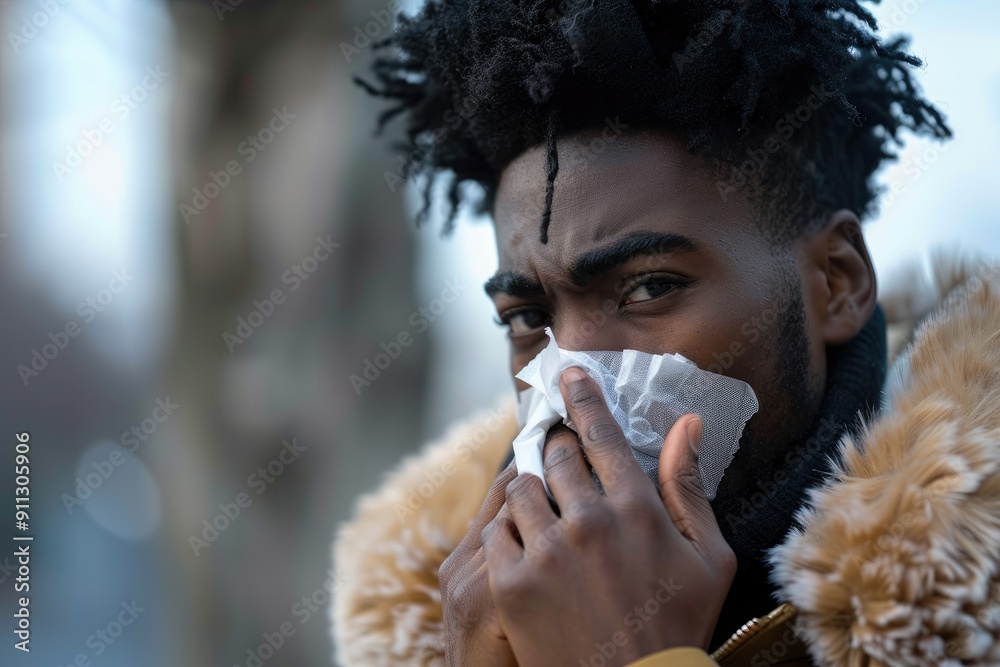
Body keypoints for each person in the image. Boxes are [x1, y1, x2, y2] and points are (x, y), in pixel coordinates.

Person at [331, 1, 1000, 665]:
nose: (572, 385)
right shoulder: (443, 619)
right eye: (529, 318)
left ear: (837, 282)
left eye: (650, 287)